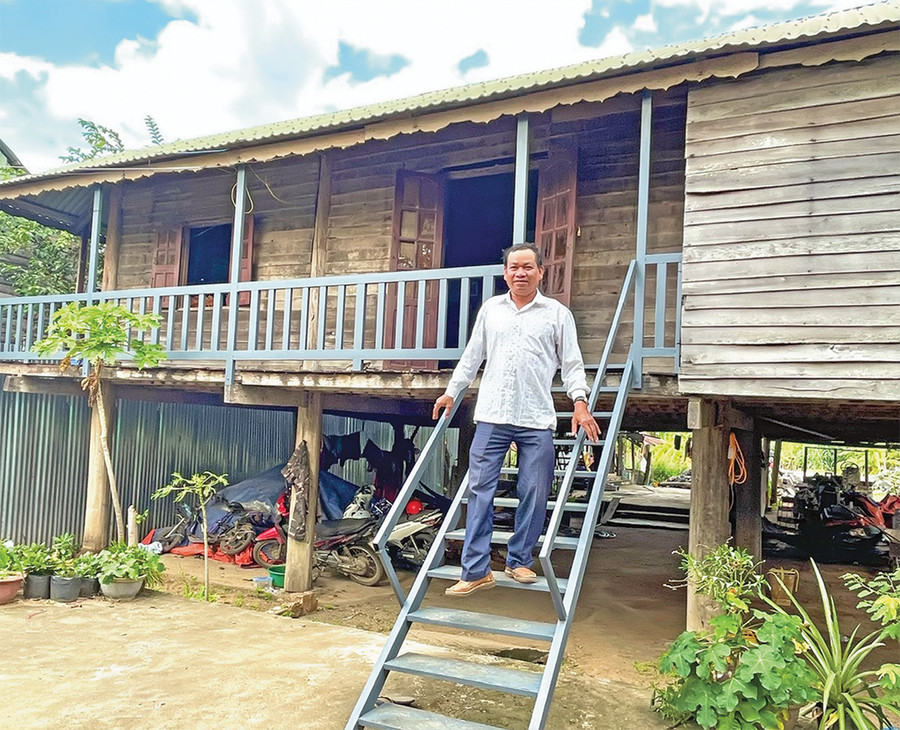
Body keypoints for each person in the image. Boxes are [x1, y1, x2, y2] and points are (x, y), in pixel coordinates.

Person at [432, 243, 600, 597]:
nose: (520, 273)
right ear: (505, 273)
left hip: (536, 417)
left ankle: (519, 559)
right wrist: (451, 391)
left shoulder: (557, 314)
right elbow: (472, 356)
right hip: (492, 415)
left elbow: (572, 365)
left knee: (535, 491)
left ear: (541, 272)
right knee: (479, 490)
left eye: (527, 267)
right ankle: (475, 570)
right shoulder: (492, 310)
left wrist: (580, 404)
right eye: (513, 267)